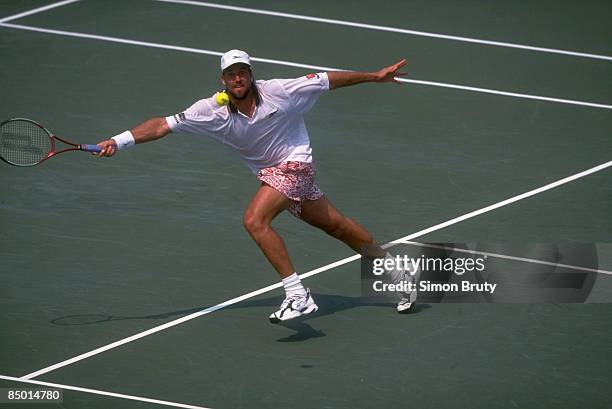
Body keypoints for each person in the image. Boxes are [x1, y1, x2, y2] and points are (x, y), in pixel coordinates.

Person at [95, 49, 417, 323]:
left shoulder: (280, 91)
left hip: (296, 163)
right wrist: (119, 141)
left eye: (243, 73)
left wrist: (374, 76)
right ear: (223, 80)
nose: (238, 79)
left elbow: (327, 80)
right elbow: (161, 125)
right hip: (273, 175)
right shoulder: (210, 111)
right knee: (338, 227)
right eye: (231, 74)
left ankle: (296, 294)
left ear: (251, 75)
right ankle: (399, 274)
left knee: (254, 220)